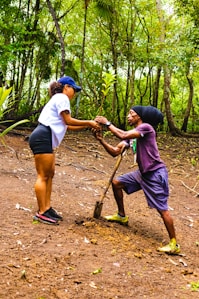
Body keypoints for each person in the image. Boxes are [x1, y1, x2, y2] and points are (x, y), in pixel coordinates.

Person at [93, 106, 180, 254]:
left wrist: (107, 123)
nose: (128, 116)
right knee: (116, 183)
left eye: (131, 114)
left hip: (154, 174)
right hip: (142, 173)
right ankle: (121, 216)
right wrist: (101, 140)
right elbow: (115, 152)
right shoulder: (133, 136)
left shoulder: (146, 128)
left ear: (139, 117)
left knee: (162, 209)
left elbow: (122, 134)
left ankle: (174, 244)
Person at [29, 76, 100, 225]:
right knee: (43, 175)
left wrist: (89, 126)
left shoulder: (58, 99)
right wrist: (89, 122)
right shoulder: (61, 97)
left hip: (44, 137)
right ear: (66, 87)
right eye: (74, 89)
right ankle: (41, 212)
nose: (74, 93)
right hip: (43, 136)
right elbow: (68, 121)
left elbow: (68, 126)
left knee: (50, 174)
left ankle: (47, 208)